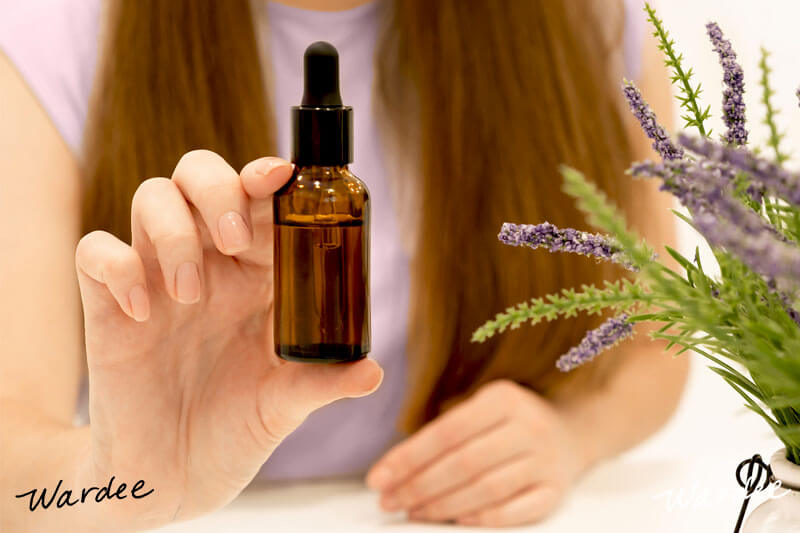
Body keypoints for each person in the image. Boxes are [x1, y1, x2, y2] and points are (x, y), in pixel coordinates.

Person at [0, 0, 688, 530]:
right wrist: (118, 478)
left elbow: (660, 338)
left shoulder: (584, 20)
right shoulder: (61, 31)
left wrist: (573, 432)